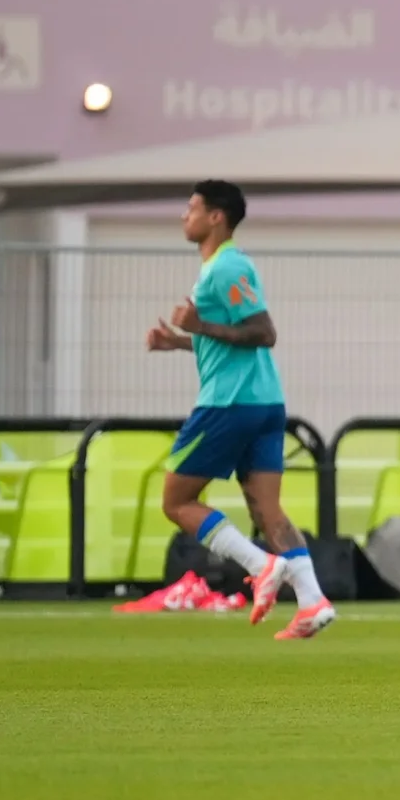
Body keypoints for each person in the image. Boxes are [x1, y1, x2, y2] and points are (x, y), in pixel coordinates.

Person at [143, 179, 336, 641]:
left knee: (176, 501)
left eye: (191, 208)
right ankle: (313, 602)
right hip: (264, 402)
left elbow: (263, 333)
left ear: (216, 217)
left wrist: (199, 323)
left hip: (230, 404)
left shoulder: (225, 269)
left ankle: (259, 565)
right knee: (267, 510)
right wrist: (182, 341)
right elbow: (233, 342)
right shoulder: (224, 266)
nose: (183, 216)